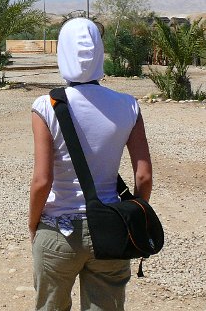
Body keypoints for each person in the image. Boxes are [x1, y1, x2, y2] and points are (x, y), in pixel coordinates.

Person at [29, 18, 153, 311]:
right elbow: (144, 176)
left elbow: (42, 181)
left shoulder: (46, 106)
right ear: (99, 53)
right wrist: (133, 215)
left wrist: (33, 224)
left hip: (58, 230)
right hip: (110, 228)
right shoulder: (128, 105)